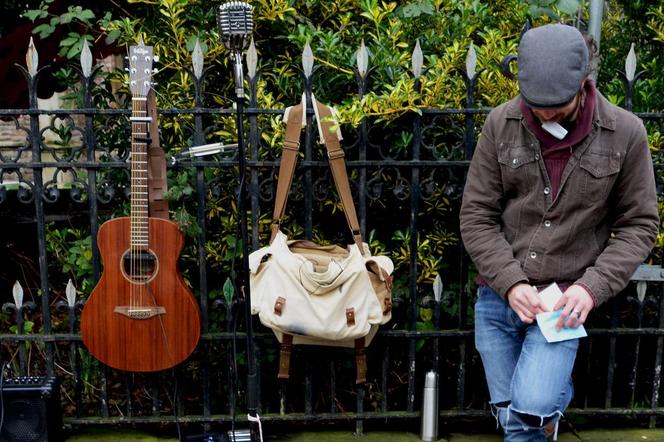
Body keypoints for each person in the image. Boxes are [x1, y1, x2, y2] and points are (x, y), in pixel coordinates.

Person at [459, 23, 659, 441]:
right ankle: (547, 407)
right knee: (509, 414)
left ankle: (545, 407)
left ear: (584, 83)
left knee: (528, 415)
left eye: (556, 105)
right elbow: (476, 215)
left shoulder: (626, 133)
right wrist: (511, 283)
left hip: (564, 304)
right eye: (536, 104)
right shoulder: (500, 123)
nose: (544, 113)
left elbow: (640, 226)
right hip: (499, 296)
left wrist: (591, 288)